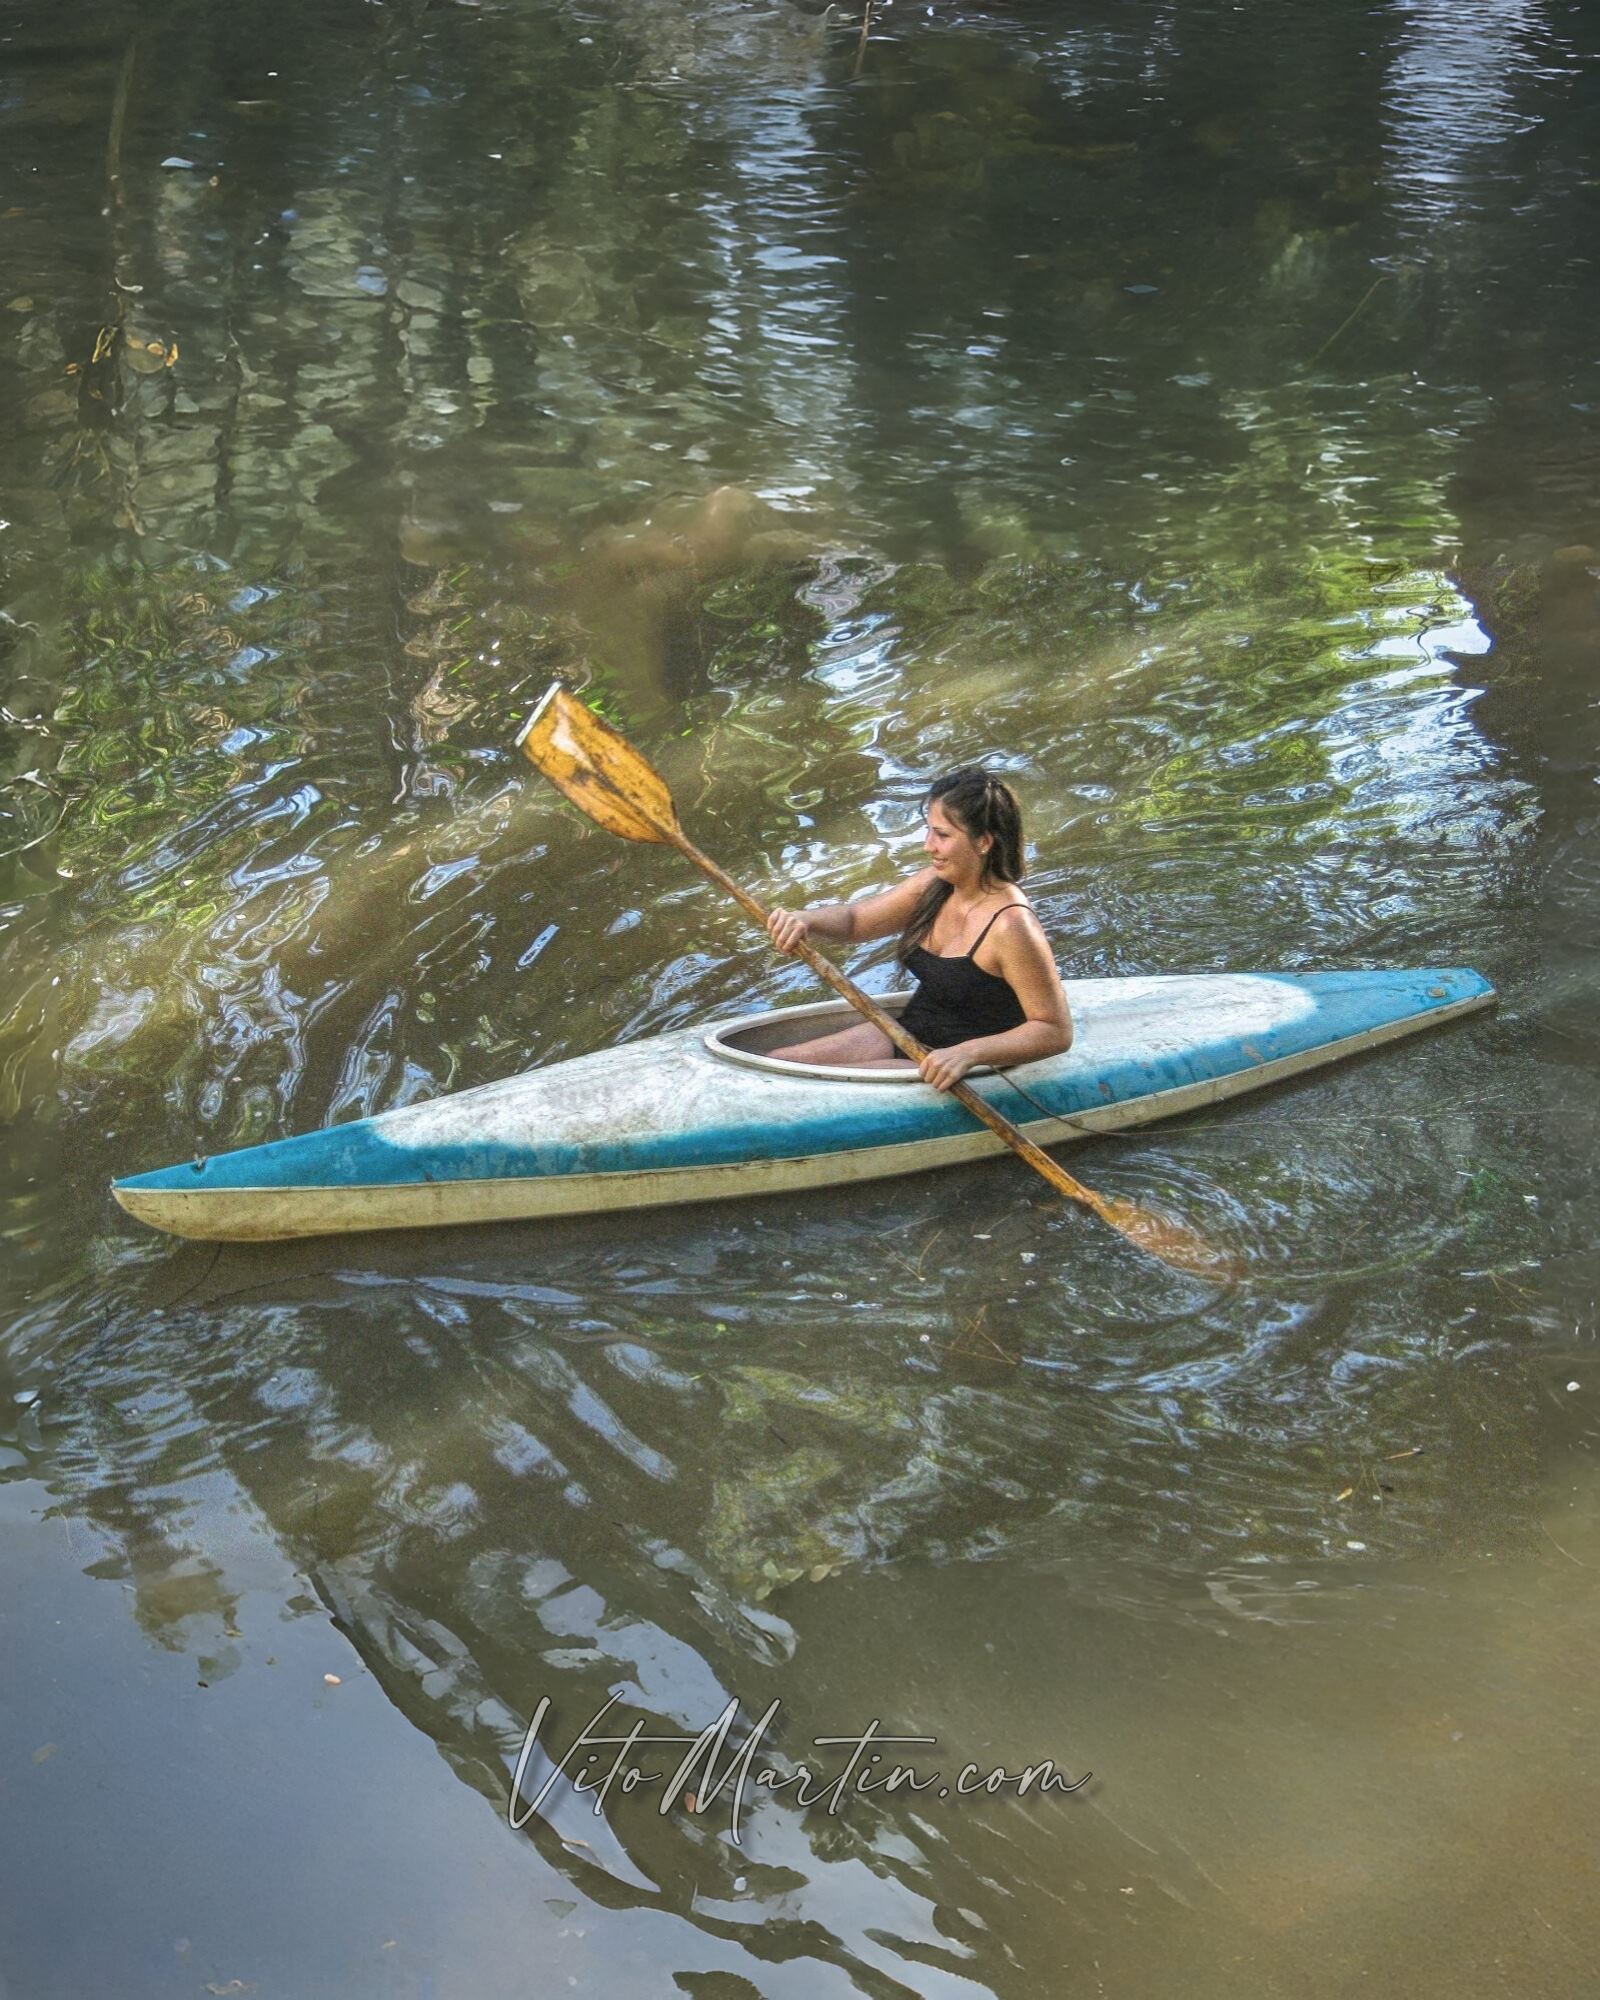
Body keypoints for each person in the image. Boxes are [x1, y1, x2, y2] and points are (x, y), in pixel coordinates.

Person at [764, 767, 1073, 1091]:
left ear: (983, 842)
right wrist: (807, 920)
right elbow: (856, 921)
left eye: (942, 835)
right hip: (910, 1029)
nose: (928, 846)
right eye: (929, 831)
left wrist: (969, 1053)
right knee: (779, 1061)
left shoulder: (1011, 925)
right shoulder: (935, 884)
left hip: (950, 1064)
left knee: (802, 1088)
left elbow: (1054, 1030)